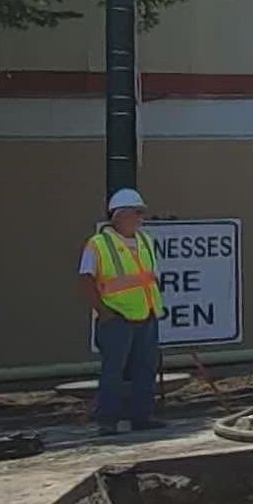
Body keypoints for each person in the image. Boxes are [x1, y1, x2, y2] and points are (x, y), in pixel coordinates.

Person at [77, 187, 166, 436]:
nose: (141, 217)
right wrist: (104, 312)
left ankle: (142, 416)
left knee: (145, 369)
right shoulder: (99, 244)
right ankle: (108, 421)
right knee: (113, 372)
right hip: (116, 319)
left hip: (146, 315)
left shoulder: (145, 240)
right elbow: (85, 279)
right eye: (137, 212)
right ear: (120, 214)